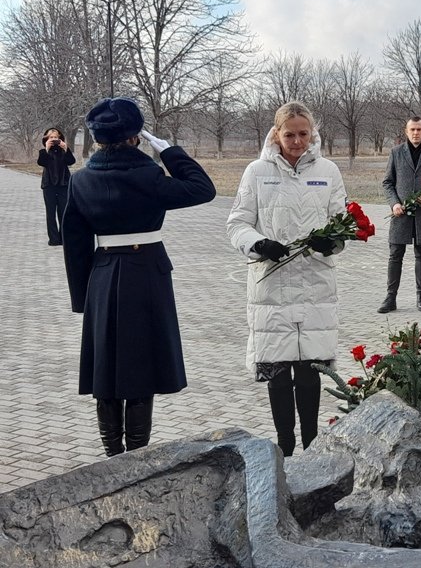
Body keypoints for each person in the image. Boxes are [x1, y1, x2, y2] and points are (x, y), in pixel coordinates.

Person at [62, 97, 216, 457]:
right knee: (141, 368)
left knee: (106, 371)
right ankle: (137, 456)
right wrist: (170, 153)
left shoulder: (81, 180)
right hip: (147, 272)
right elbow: (202, 189)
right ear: (136, 137)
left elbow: (75, 244)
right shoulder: (150, 175)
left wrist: (82, 298)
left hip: (101, 275)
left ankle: (112, 456)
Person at [227, 101, 346, 458]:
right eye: (289, 134)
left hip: (314, 285)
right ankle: (285, 444)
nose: (296, 141)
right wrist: (257, 243)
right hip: (271, 287)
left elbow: (343, 220)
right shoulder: (256, 172)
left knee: (309, 370)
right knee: (278, 371)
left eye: (303, 134)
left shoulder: (327, 170)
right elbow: (237, 223)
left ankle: (311, 443)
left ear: (313, 134)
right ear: (276, 133)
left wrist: (332, 241)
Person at [379, 117, 421, 313]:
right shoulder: (396, 153)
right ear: (406, 131)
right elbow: (387, 183)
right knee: (395, 255)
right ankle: (390, 298)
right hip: (400, 214)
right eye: (412, 130)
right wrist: (394, 204)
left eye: (419, 129)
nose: (416, 133)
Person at [37, 128, 76, 245]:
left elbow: (71, 161)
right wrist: (47, 149)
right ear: (46, 139)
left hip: (63, 184)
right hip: (48, 185)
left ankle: (63, 238)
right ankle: (54, 239)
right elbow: (42, 162)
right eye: (51, 138)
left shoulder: (63, 150)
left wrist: (66, 148)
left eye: (56, 137)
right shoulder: (43, 151)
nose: (54, 140)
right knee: (50, 213)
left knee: (63, 212)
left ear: (60, 138)